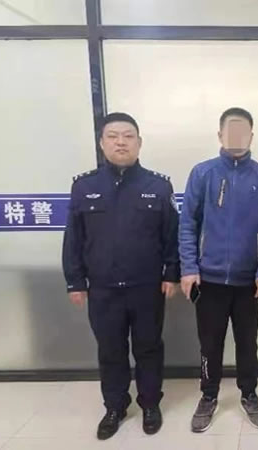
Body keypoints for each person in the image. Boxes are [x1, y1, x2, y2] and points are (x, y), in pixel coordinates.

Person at [62, 112, 180, 440]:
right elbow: (74, 238)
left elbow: (171, 235)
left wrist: (171, 273)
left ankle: (150, 403)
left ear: (139, 143)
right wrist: (75, 281)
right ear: (102, 143)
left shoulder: (158, 186)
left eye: (128, 136)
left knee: (148, 347)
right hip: (103, 289)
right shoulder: (84, 186)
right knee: (110, 349)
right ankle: (115, 406)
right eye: (113, 136)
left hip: (147, 287)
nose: (121, 143)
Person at [179, 107, 258, 432]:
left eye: (243, 131)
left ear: (251, 136)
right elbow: (187, 225)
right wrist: (189, 267)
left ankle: (249, 394)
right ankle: (209, 395)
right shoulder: (202, 173)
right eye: (230, 130)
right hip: (208, 279)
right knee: (210, 344)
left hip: (249, 281)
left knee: (248, 343)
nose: (237, 136)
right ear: (220, 135)